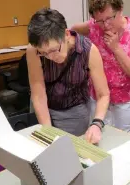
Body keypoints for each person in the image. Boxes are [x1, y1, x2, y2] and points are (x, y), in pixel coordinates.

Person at [26, 8, 110, 144]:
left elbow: (103, 94)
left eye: (54, 50)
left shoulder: (88, 50)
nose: (50, 57)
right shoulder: (34, 50)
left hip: (74, 110)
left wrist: (97, 124)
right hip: (44, 108)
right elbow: (38, 95)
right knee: (46, 150)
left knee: (74, 152)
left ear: (66, 34)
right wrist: (48, 133)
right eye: (44, 53)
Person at [71, 0, 130, 133]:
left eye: (109, 18)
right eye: (99, 20)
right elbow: (72, 31)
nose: (105, 25)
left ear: (120, 10)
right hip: (98, 95)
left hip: (125, 98)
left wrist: (116, 48)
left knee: (123, 137)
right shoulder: (92, 27)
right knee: (99, 133)